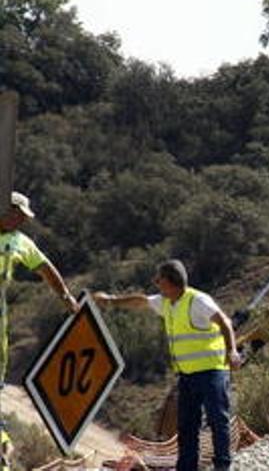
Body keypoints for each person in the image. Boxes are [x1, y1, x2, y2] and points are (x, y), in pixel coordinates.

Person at [93, 260, 242, 471]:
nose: (155, 282)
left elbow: (225, 322)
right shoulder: (166, 302)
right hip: (187, 376)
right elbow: (141, 301)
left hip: (212, 371)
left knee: (218, 420)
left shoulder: (197, 301)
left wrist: (232, 351)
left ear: (171, 282)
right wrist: (111, 301)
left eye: (159, 278)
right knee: (187, 426)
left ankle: (222, 467)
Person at [0, 191, 78, 381]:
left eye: (24, 218)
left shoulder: (20, 241)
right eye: (18, 215)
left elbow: (45, 268)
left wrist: (65, 296)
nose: (21, 221)